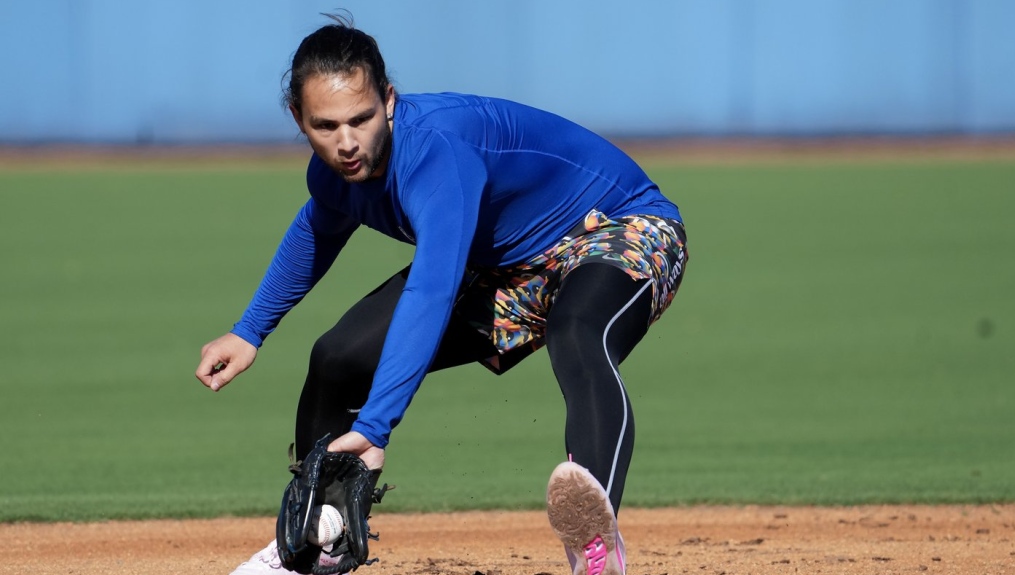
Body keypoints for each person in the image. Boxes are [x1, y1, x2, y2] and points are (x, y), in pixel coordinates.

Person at [195, 13, 688, 575]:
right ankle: (313, 540)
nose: (347, 141)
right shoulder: (333, 173)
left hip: (618, 228)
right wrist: (249, 329)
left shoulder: (435, 152)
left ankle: (595, 546)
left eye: (362, 118)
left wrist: (377, 427)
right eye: (326, 126)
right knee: (337, 359)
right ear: (298, 119)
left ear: (390, 100)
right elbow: (317, 231)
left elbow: (432, 291)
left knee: (577, 332)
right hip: (505, 267)